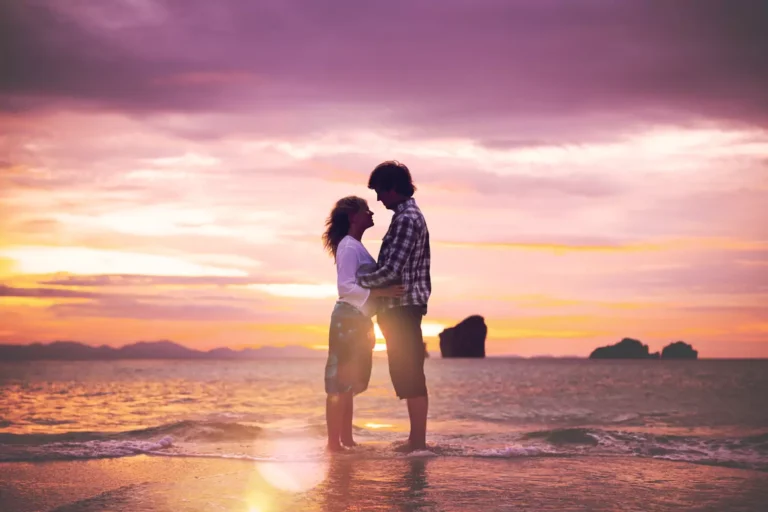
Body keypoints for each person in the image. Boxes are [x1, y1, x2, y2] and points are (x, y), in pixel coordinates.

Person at [358, 161, 431, 452]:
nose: (378, 199)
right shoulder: (408, 216)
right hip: (402, 306)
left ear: (392, 188)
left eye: (379, 191)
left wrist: (356, 279)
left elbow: (391, 271)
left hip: (402, 306)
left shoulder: (405, 219)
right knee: (406, 370)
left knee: (408, 370)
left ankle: (418, 441)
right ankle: (416, 440)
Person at [321, 196, 404, 452]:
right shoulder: (348, 246)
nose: (371, 213)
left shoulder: (355, 245)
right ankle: (334, 443)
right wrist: (381, 294)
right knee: (340, 383)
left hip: (359, 319)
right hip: (348, 318)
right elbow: (345, 287)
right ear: (352, 217)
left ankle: (346, 440)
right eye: (366, 210)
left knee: (350, 382)